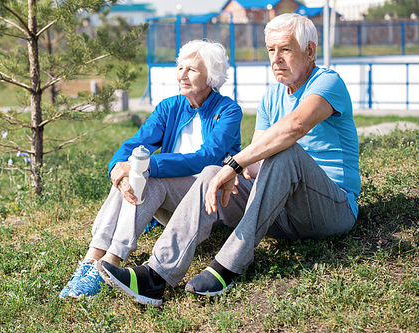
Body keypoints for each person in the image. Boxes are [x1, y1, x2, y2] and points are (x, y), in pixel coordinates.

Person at [97, 13, 361, 307]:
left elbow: (294, 128)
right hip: (278, 213)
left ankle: (227, 265)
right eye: (271, 50)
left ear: (310, 51)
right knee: (212, 172)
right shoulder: (271, 96)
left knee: (284, 150)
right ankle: (157, 276)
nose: (276, 59)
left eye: (285, 49)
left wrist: (234, 164)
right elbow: (257, 159)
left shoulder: (327, 82)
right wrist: (236, 169)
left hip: (330, 209)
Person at [59, 40, 243, 299]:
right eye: (180, 67)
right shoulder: (170, 107)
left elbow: (208, 158)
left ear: (211, 75)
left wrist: (142, 167)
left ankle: (108, 263)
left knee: (149, 175)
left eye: (192, 69)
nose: (182, 74)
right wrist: (118, 170)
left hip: (206, 207)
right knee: (135, 173)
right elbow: (135, 144)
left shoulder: (228, 111)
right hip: (171, 206)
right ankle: (92, 260)